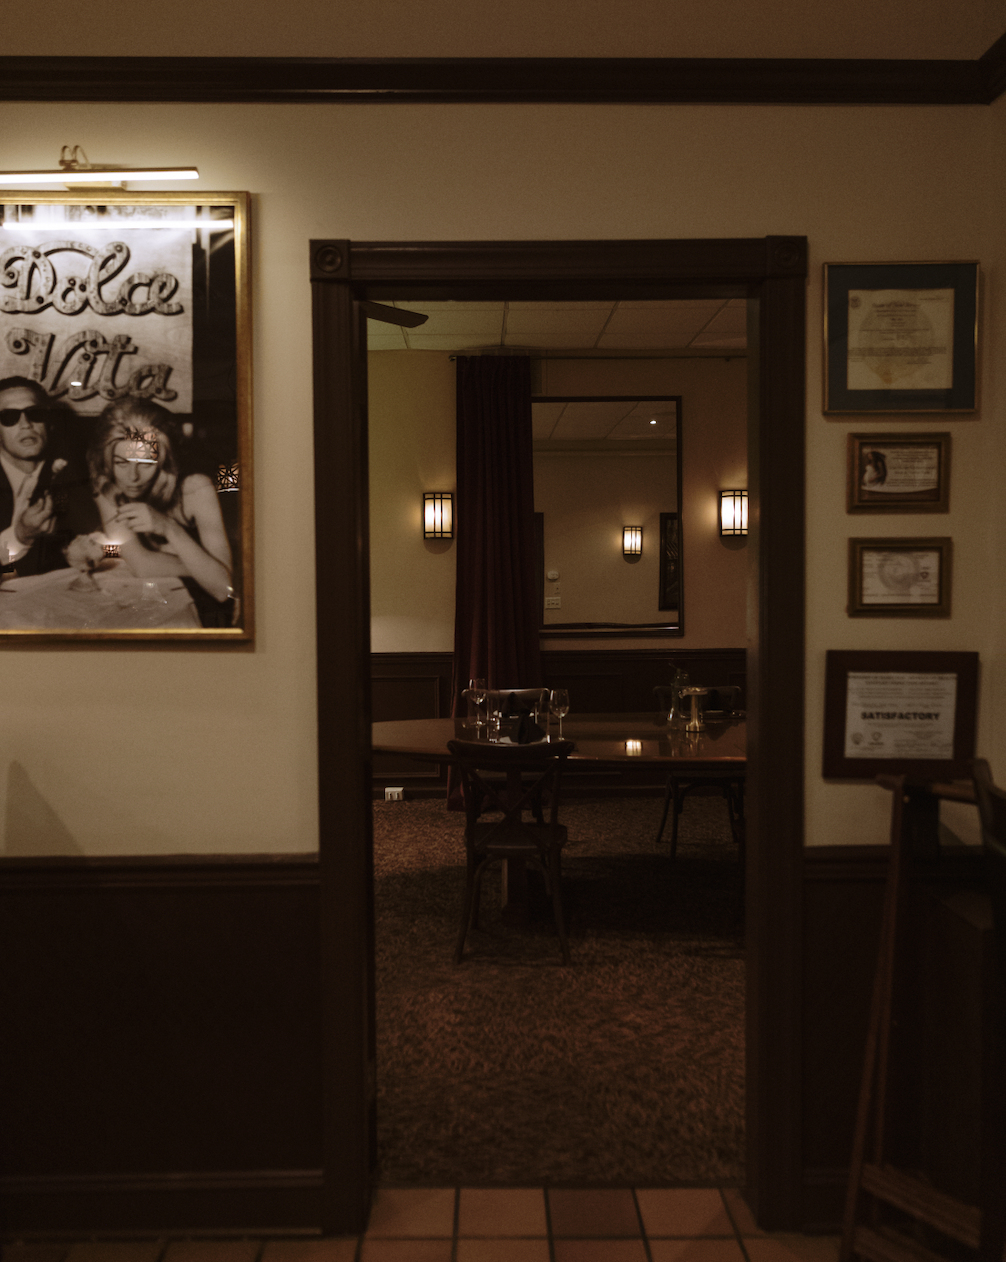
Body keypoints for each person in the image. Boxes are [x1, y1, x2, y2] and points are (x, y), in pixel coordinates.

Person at [85, 397, 235, 626]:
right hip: (150, 599)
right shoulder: (106, 485)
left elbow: (223, 590)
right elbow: (142, 566)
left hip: (204, 609)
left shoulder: (196, 487)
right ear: (108, 461)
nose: (132, 477)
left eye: (145, 464)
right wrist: (213, 569)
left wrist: (168, 527)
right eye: (121, 463)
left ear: (164, 460)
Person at [0, 375, 99, 576]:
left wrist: (107, 556)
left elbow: (105, 539)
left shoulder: (73, 472)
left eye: (35, 413)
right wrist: (20, 536)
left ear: (50, 422)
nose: (26, 424)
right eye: (9, 417)